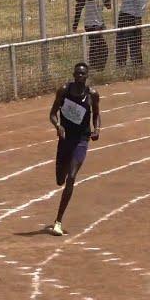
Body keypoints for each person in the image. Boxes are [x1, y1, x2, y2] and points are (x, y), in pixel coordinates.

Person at [48, 62, 100, 236]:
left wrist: (97, 130)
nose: (79, 76)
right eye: (77, 73)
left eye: (83, 74)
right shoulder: (64, 91)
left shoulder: (92, 95)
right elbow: (52, 114)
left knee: (71, 177)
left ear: (87, 76)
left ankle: (58, 221)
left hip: (81, 140)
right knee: (60, 180)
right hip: (65, 139)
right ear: (73, 74)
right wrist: (58, 126)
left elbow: (97, 115)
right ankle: (62, 178)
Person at [72, 0, 112, 71]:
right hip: (91, 25)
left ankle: (94, 69)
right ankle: (97, 69)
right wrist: (75, 26)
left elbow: (109, 6)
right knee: (102, 47)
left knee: (95, 48)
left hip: (99, 24)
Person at [116, 0, 150, 68]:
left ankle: (137, 67)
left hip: (137, 16)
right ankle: (121, 67)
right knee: (122, 44)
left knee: (136, 43)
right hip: (126, 14)